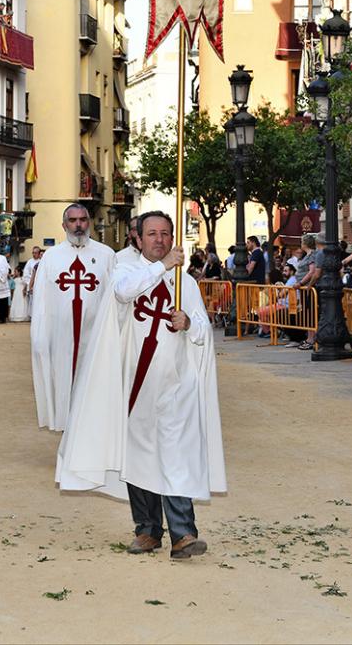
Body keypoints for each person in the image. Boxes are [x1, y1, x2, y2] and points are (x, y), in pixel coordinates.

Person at [57, 211, 225, 560]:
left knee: (176, 455)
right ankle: (147, 530)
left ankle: (184, 534)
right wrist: (162, 267)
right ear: (138, 238)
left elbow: (202, 331)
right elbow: (122, 293)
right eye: (152, 234)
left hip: (175, 387)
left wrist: (189, 323)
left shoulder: (187, 283)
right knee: (140, 456)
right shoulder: (127, 270)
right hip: (134, 385)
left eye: (165, 233)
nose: (159, 240)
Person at [30, 203, 117, 431]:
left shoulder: (106, 255)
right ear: (64, 225)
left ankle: (90, 436)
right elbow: (41, 301)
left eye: (83, 220)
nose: (78, 225)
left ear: (89, 222)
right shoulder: (51, 257)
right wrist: (39, 336)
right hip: (61, 337)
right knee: (62, 383)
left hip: (95, 337)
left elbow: (114, 298)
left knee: (93, 385)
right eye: (73, 220)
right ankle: (65, 431)